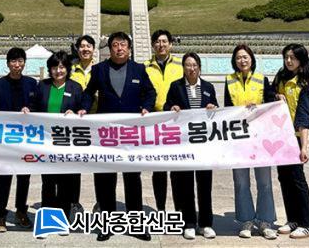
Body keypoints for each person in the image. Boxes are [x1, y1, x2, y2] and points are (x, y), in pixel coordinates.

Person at [81, 31, 156, 242]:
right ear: (110, 48)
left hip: (131, 134)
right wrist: (84, 108)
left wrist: (147, 107)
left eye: (123, 45)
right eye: (115, 45)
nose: (119, 48)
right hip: (107, 134)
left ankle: (136, 224)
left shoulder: (138, 69)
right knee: (105, 179)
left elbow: (150, 93)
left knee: (133, 179)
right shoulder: (99, 69)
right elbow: (88, 93)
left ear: (129, 49)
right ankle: (107, 224)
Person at [23, 50, 85, 226]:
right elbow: (34, 106)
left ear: (68, 69)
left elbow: (82, 109)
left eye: (62, 67)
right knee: (48, 183)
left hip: (66, 142)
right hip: (46, 142)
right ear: (50, 69)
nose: (59, 71)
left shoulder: (75, 87)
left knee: (65, 183)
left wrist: (77, 112)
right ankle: (48, 221)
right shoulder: (42, 86)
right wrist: (28, 110)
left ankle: (62, 221)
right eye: (55, 67)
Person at [224, 44, 277, 240]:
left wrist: (261, 106)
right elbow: (227, 108)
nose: (242, 61)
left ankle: (265, 221)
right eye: (238, 58)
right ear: (234, 61)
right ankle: (245, 221)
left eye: (245, 57)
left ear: (251, 59)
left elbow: (271, 105)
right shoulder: (229, 80)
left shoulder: (262, 79)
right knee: (241, 182)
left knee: (264, 182)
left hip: (260, 137)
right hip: (239, 137)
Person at [164, 52, 217, 240]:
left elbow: (217, 109)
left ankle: (206, 223)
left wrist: (213, 107)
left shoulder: (208, 87)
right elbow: (167, 106)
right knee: (185, 184)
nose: (191, 68)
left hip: (203, 143)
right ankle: (189, 223)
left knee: (205, 184)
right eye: (188, 65)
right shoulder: (176, 86)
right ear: (183, 67)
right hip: (184, 144)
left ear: (199, 67)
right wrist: (172, 108)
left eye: (194, 65)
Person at [0, 47, 37, 233]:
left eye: (20, 61)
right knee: (4, 177)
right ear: (7, 64)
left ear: (24, 63)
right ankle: (0, 216)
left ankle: (21, 211)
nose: (17, 65)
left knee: (24, 177)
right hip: (5, 139)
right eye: (13, 61)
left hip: (25, 139)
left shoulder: (32, 83)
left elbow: (37, 106)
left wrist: (30, 110)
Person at [273, 44, 309, 239]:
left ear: (301, 59)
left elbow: (304, 116)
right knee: (284, 178)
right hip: (280, 137)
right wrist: (276, 95)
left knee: (297, 180)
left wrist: (304, 147)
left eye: (292, 57)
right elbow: (269, 95)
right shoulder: (281, 78)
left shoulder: (306, 84)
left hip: (296, 137)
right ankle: (292, 219)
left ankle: (307, 223)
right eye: (286, 57)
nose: (288, 61)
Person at [144, 29, 183, 211]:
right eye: (157, 42)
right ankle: (160, 210)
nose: (161, 45)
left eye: (164, 41)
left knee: (177, 170)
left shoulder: (181, 65)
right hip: (155, 122)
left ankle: (179, 210)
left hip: (177, 122)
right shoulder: (145, 67)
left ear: (171, 44)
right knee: (158, 169)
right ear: (153, 45)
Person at [68, 34, 97, 214]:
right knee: (74, 163)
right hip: (75, 123)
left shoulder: (101, 69)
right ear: (77, 49)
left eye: (88, 46)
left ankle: (101, 202)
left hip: (98, 121)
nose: (85, 49)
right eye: (82, 46)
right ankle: (73, 202)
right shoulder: (70, 69)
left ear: (94, 49)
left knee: (101, 163)